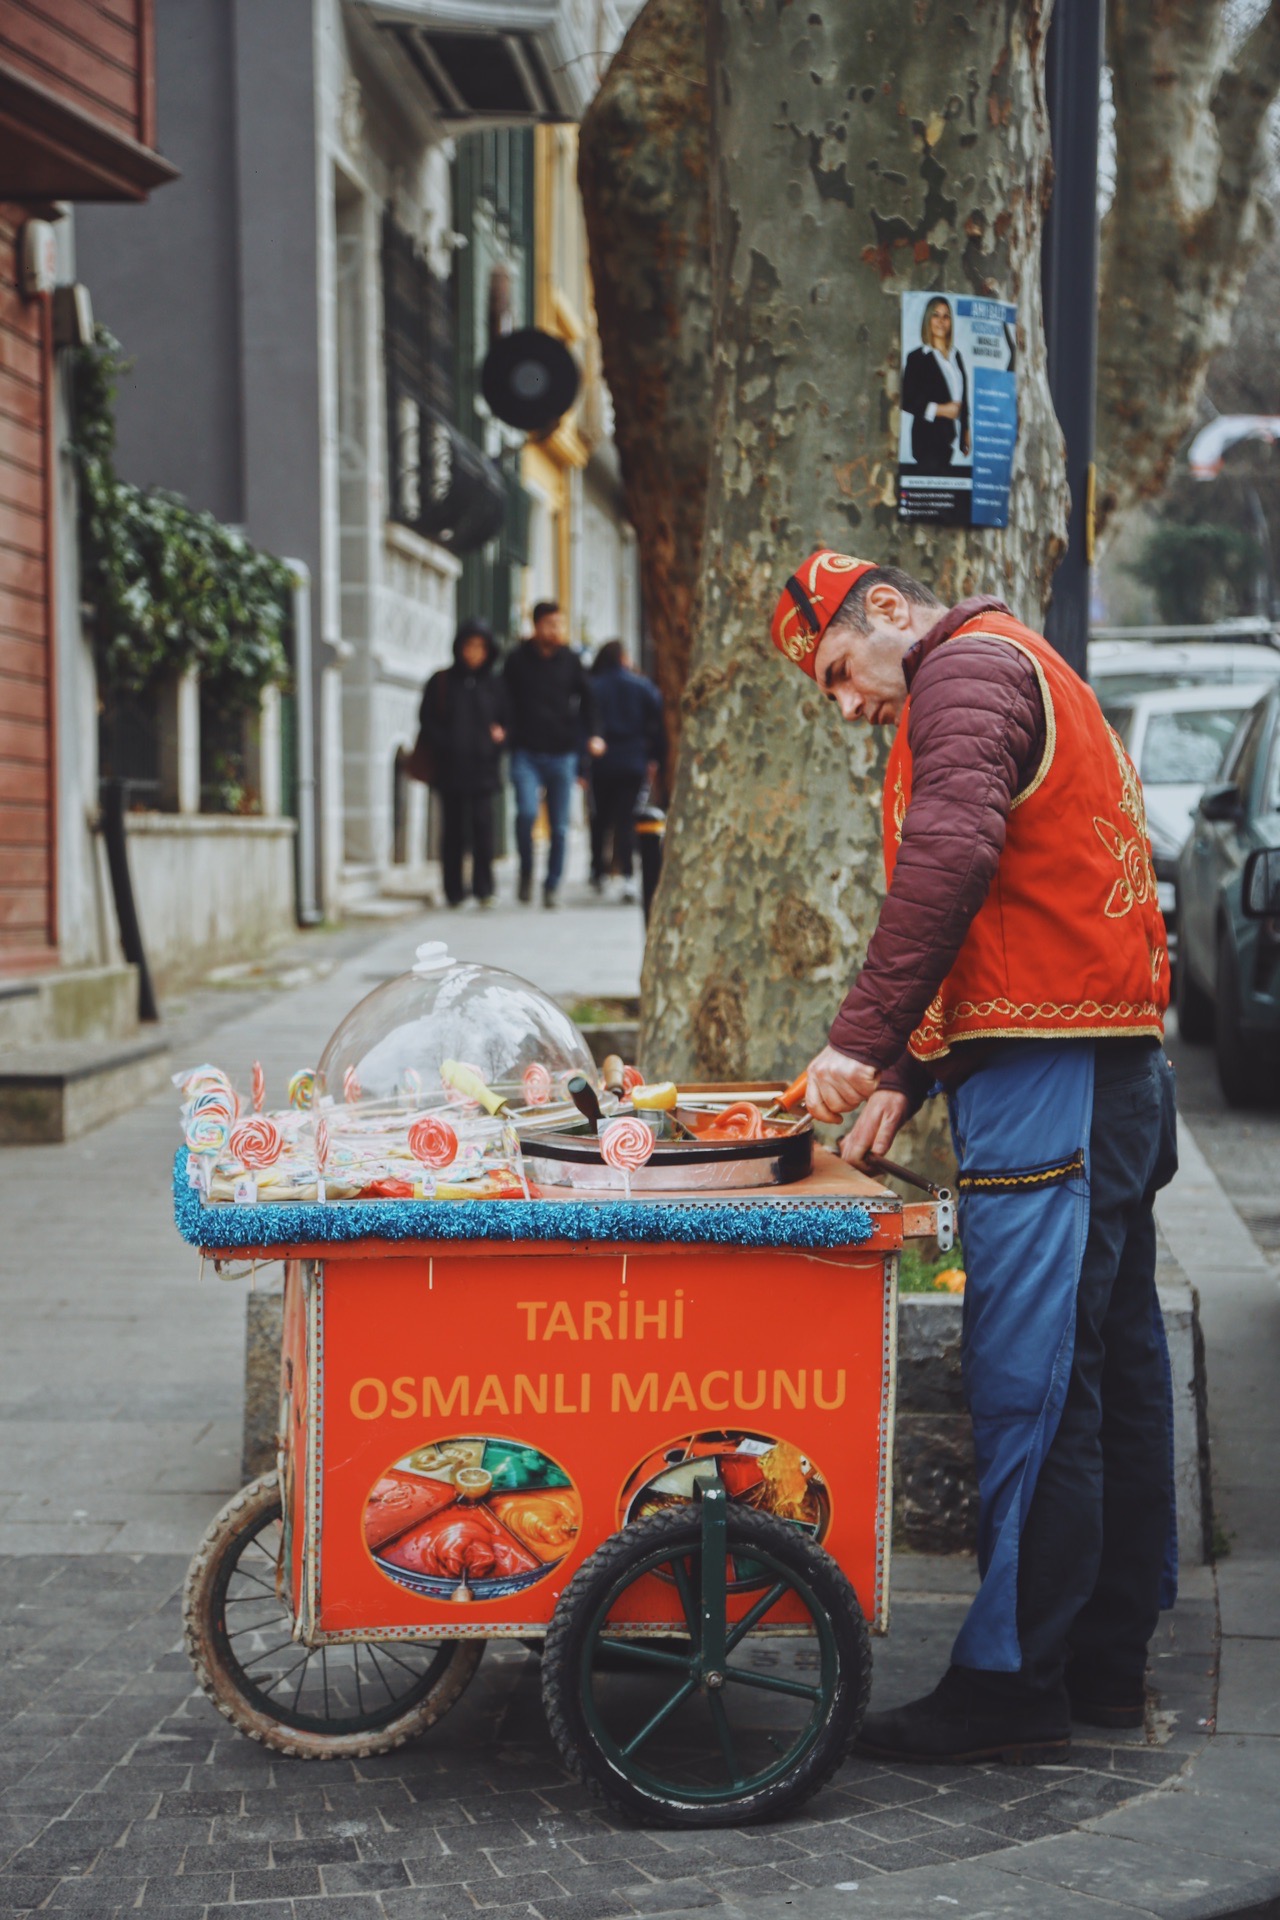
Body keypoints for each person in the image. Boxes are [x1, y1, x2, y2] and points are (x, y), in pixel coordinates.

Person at [771, 549, 1176, 1765]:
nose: (844, 705)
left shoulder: (964, 675)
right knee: (1105, 1363)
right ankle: (1103, 1659)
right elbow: (1018, 902)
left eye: (839, 670)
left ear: (886, 609)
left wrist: (859, 1041)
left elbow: (953, 858)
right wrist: (908, 1073)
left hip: (1052, 1082)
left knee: (1030, 1378)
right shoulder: (1014, 667)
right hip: (1103, 1065)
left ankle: (1009, 1685)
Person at [504, 601, 604, 908]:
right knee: (526, 814)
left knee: (560, 826)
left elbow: (589, 700)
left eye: (560, 624)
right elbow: (503, 697)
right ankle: (526, 870)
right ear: (536, 626)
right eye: (550, 625)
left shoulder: (571, 660)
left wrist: (595, 734)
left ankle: (551, 885)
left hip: (563, 752)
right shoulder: (517, 660)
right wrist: (503, 730)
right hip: (526, 751)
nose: (556, 631)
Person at [420, 618, 507, 910]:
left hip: (484, 768)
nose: (474, 653)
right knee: (453, 830)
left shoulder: (495, 684)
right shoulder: (442, 681)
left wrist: (500, 737)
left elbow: (509, 721)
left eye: (480, 647)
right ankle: (454, 890)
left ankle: (484, 888)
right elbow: (427, 720)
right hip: (451, 768)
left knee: (483, 828)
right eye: (469, 646)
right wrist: (448, 744)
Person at [587, 641, 665, 902]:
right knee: (627, 819)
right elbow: (658, 721)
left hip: (602, 760)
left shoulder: (594, 686)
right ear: (623, 657)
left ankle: (597, 869)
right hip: (633, 759)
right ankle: (628, 875)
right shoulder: (642, 686)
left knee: (600, 817)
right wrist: (654, 756)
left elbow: (582, 721)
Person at [901, 297, 970, 473]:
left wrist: (965, 431)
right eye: (936, 315)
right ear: (928, 320)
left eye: (946, 316)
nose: (941, 321)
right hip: (926, 440)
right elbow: (907, 400)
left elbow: (963, 398)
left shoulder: (956, 356)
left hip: (949, 439)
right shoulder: (916, 358)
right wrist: (941, 410)